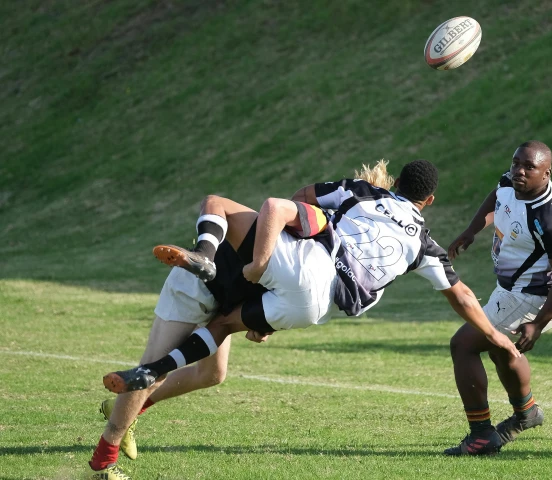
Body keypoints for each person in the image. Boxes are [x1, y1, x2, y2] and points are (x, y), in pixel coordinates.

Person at [95, 160, 520, 475]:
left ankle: (131, 408)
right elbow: (462, 294)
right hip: (272, 295)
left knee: (206, 366)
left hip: (252, 282)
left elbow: (294, 201)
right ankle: (113, 442)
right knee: (188, 365)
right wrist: (497, 338)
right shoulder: (420, 243)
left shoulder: (346, 205)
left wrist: (283, 245)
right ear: (428, 202)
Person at [87, 161, 398, 479]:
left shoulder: (330, 246)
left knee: (212, 374)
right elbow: (272, 251)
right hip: (198, 287)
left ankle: (126, 408)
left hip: (229, 298)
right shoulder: (316, 222)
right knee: (155, 368)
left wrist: (263, 323)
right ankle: (103, 464)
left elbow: (289, 283)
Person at [442, 141, 552, 456]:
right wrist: (472, 229)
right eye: (516, 163)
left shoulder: (550, 218)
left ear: (546, 173)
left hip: (536, 299)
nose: (518, 171)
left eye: (528, 167)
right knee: (501, 351)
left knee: (462, 345)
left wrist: (538, 323)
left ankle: (481, 435)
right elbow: (497, 195)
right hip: (511, 292)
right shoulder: (511, 181)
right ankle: (527, 413)